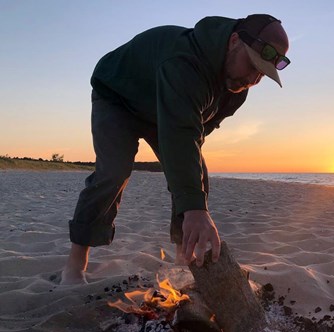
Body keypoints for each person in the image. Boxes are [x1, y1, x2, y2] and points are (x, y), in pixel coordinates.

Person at [61, 14, 290, 285]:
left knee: (197, 176)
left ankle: (183, 262)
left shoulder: (236, 90)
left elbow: (195, 135)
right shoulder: (185, 61)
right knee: (113, 172)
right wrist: (193, 209)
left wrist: (193, 194)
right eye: (252, 64)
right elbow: (181, 132)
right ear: (234, 41)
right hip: (118, 95)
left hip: (165, 112)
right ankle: (75, 265)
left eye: (262, 73)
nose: (253, 78)